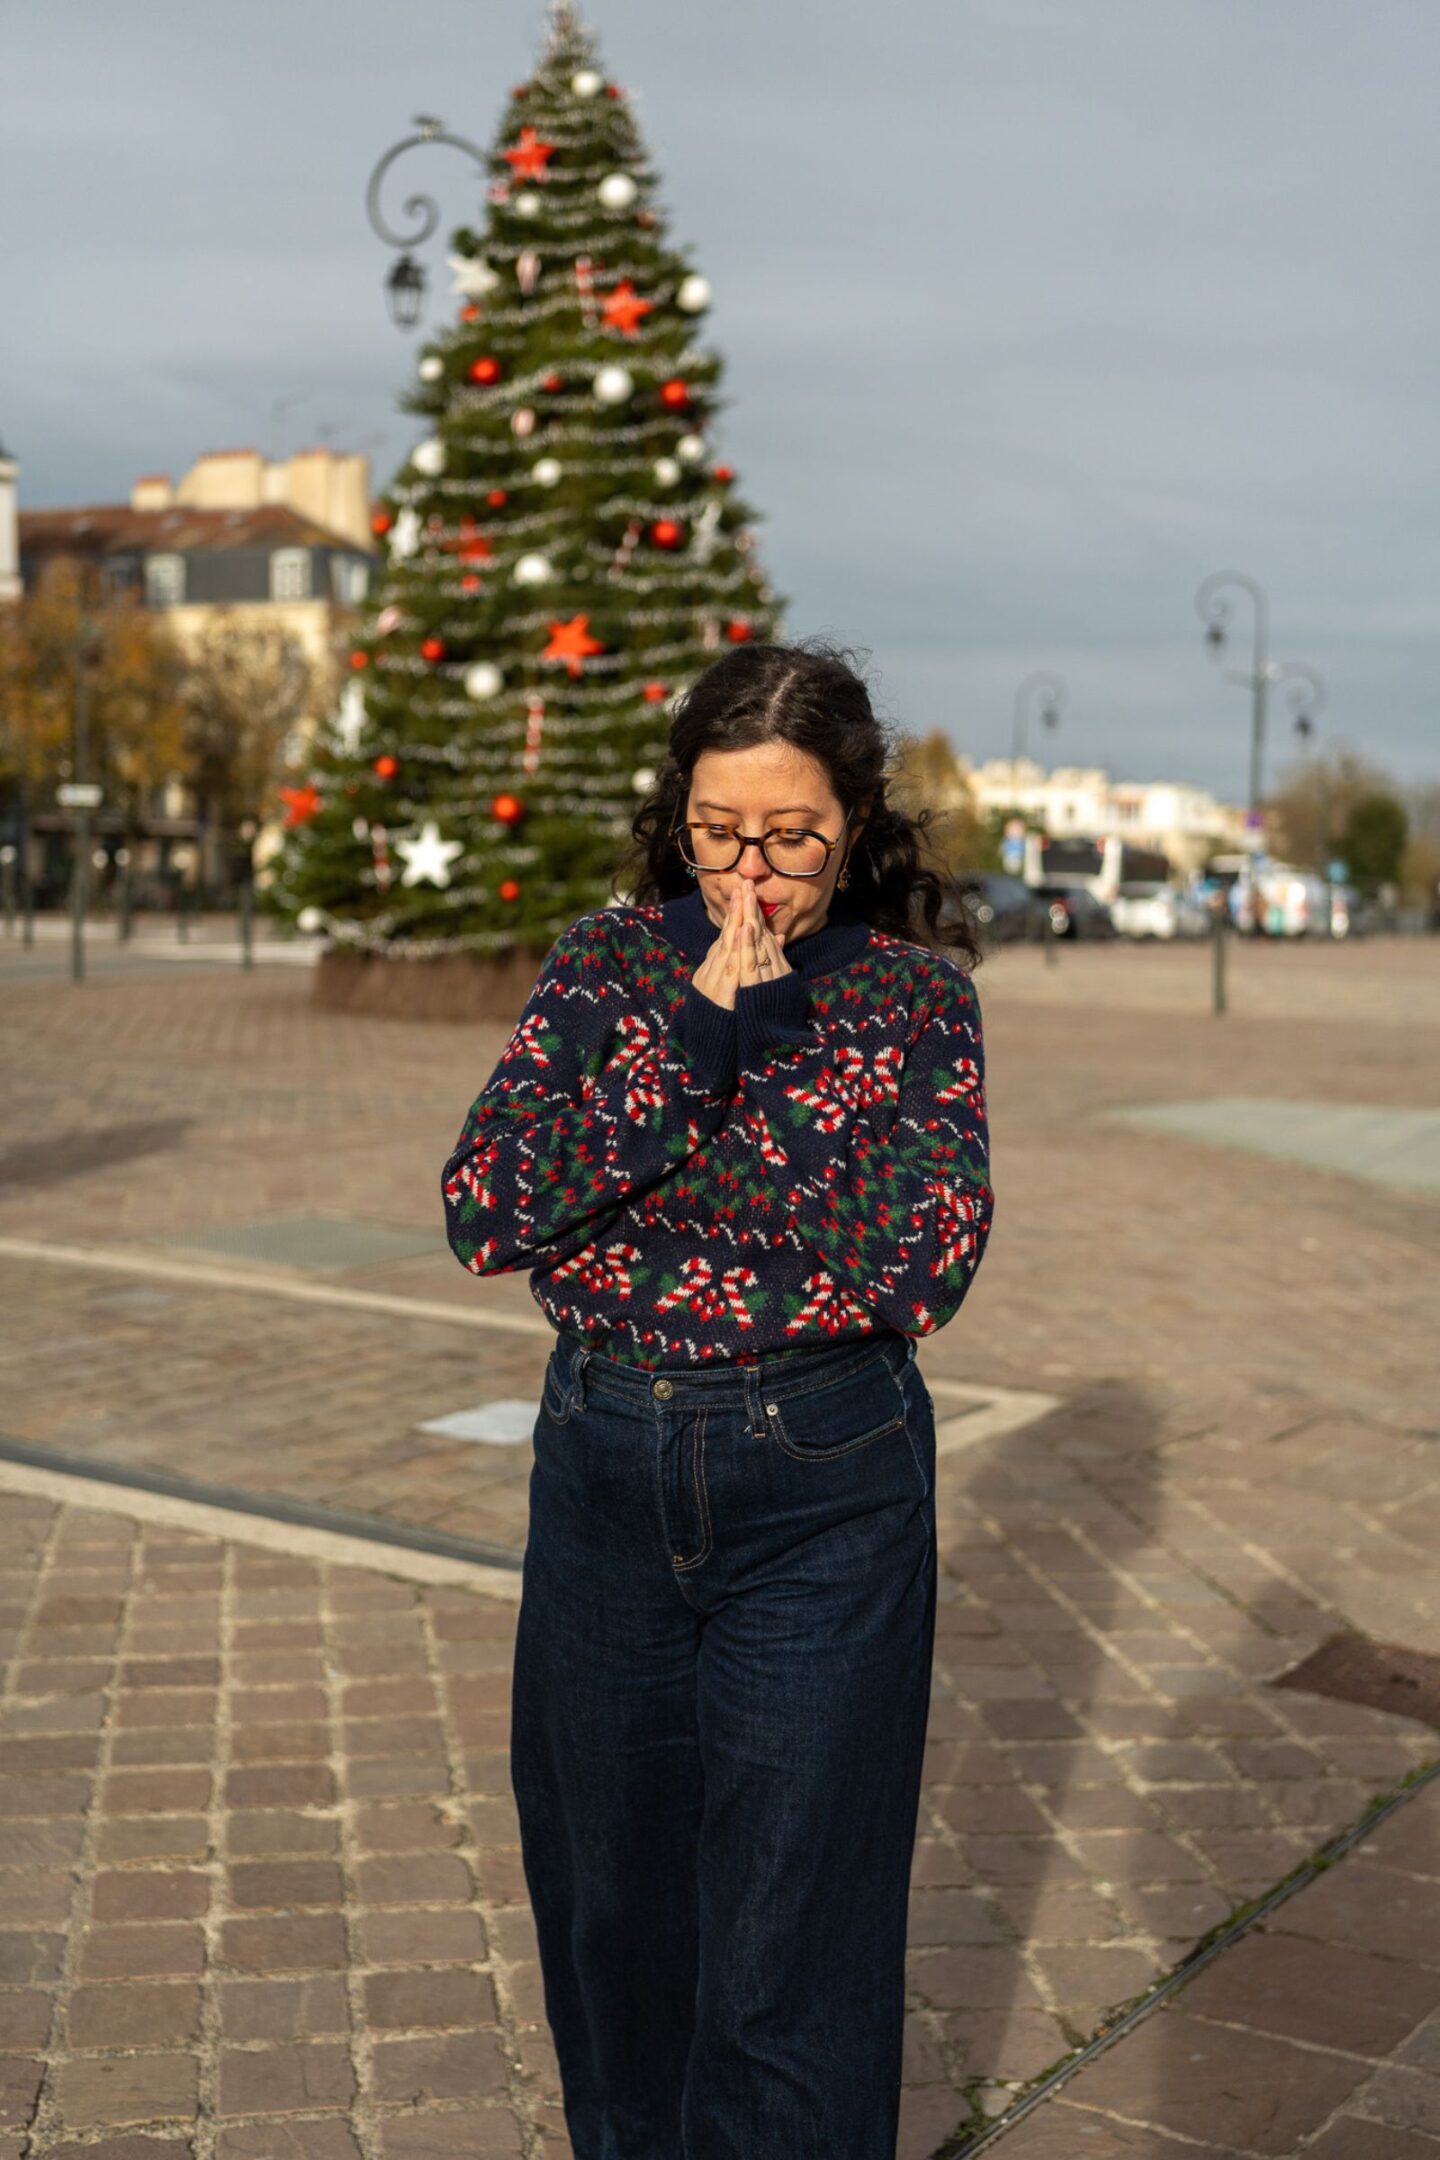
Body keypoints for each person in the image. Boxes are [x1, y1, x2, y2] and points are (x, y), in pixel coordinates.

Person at [441, 638, 994, 2158]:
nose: (750, 874)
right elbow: (490, 1209)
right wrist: (690, 1047)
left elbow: (921, 1260)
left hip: (826, 1479)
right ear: (676, 814)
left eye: (792, 836)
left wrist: (757, 1060)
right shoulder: (609, 964)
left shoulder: (909, 1002)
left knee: (789, 1946)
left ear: (857, 825)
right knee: (615, 1928)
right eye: (717, 830)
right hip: (605, 1465)